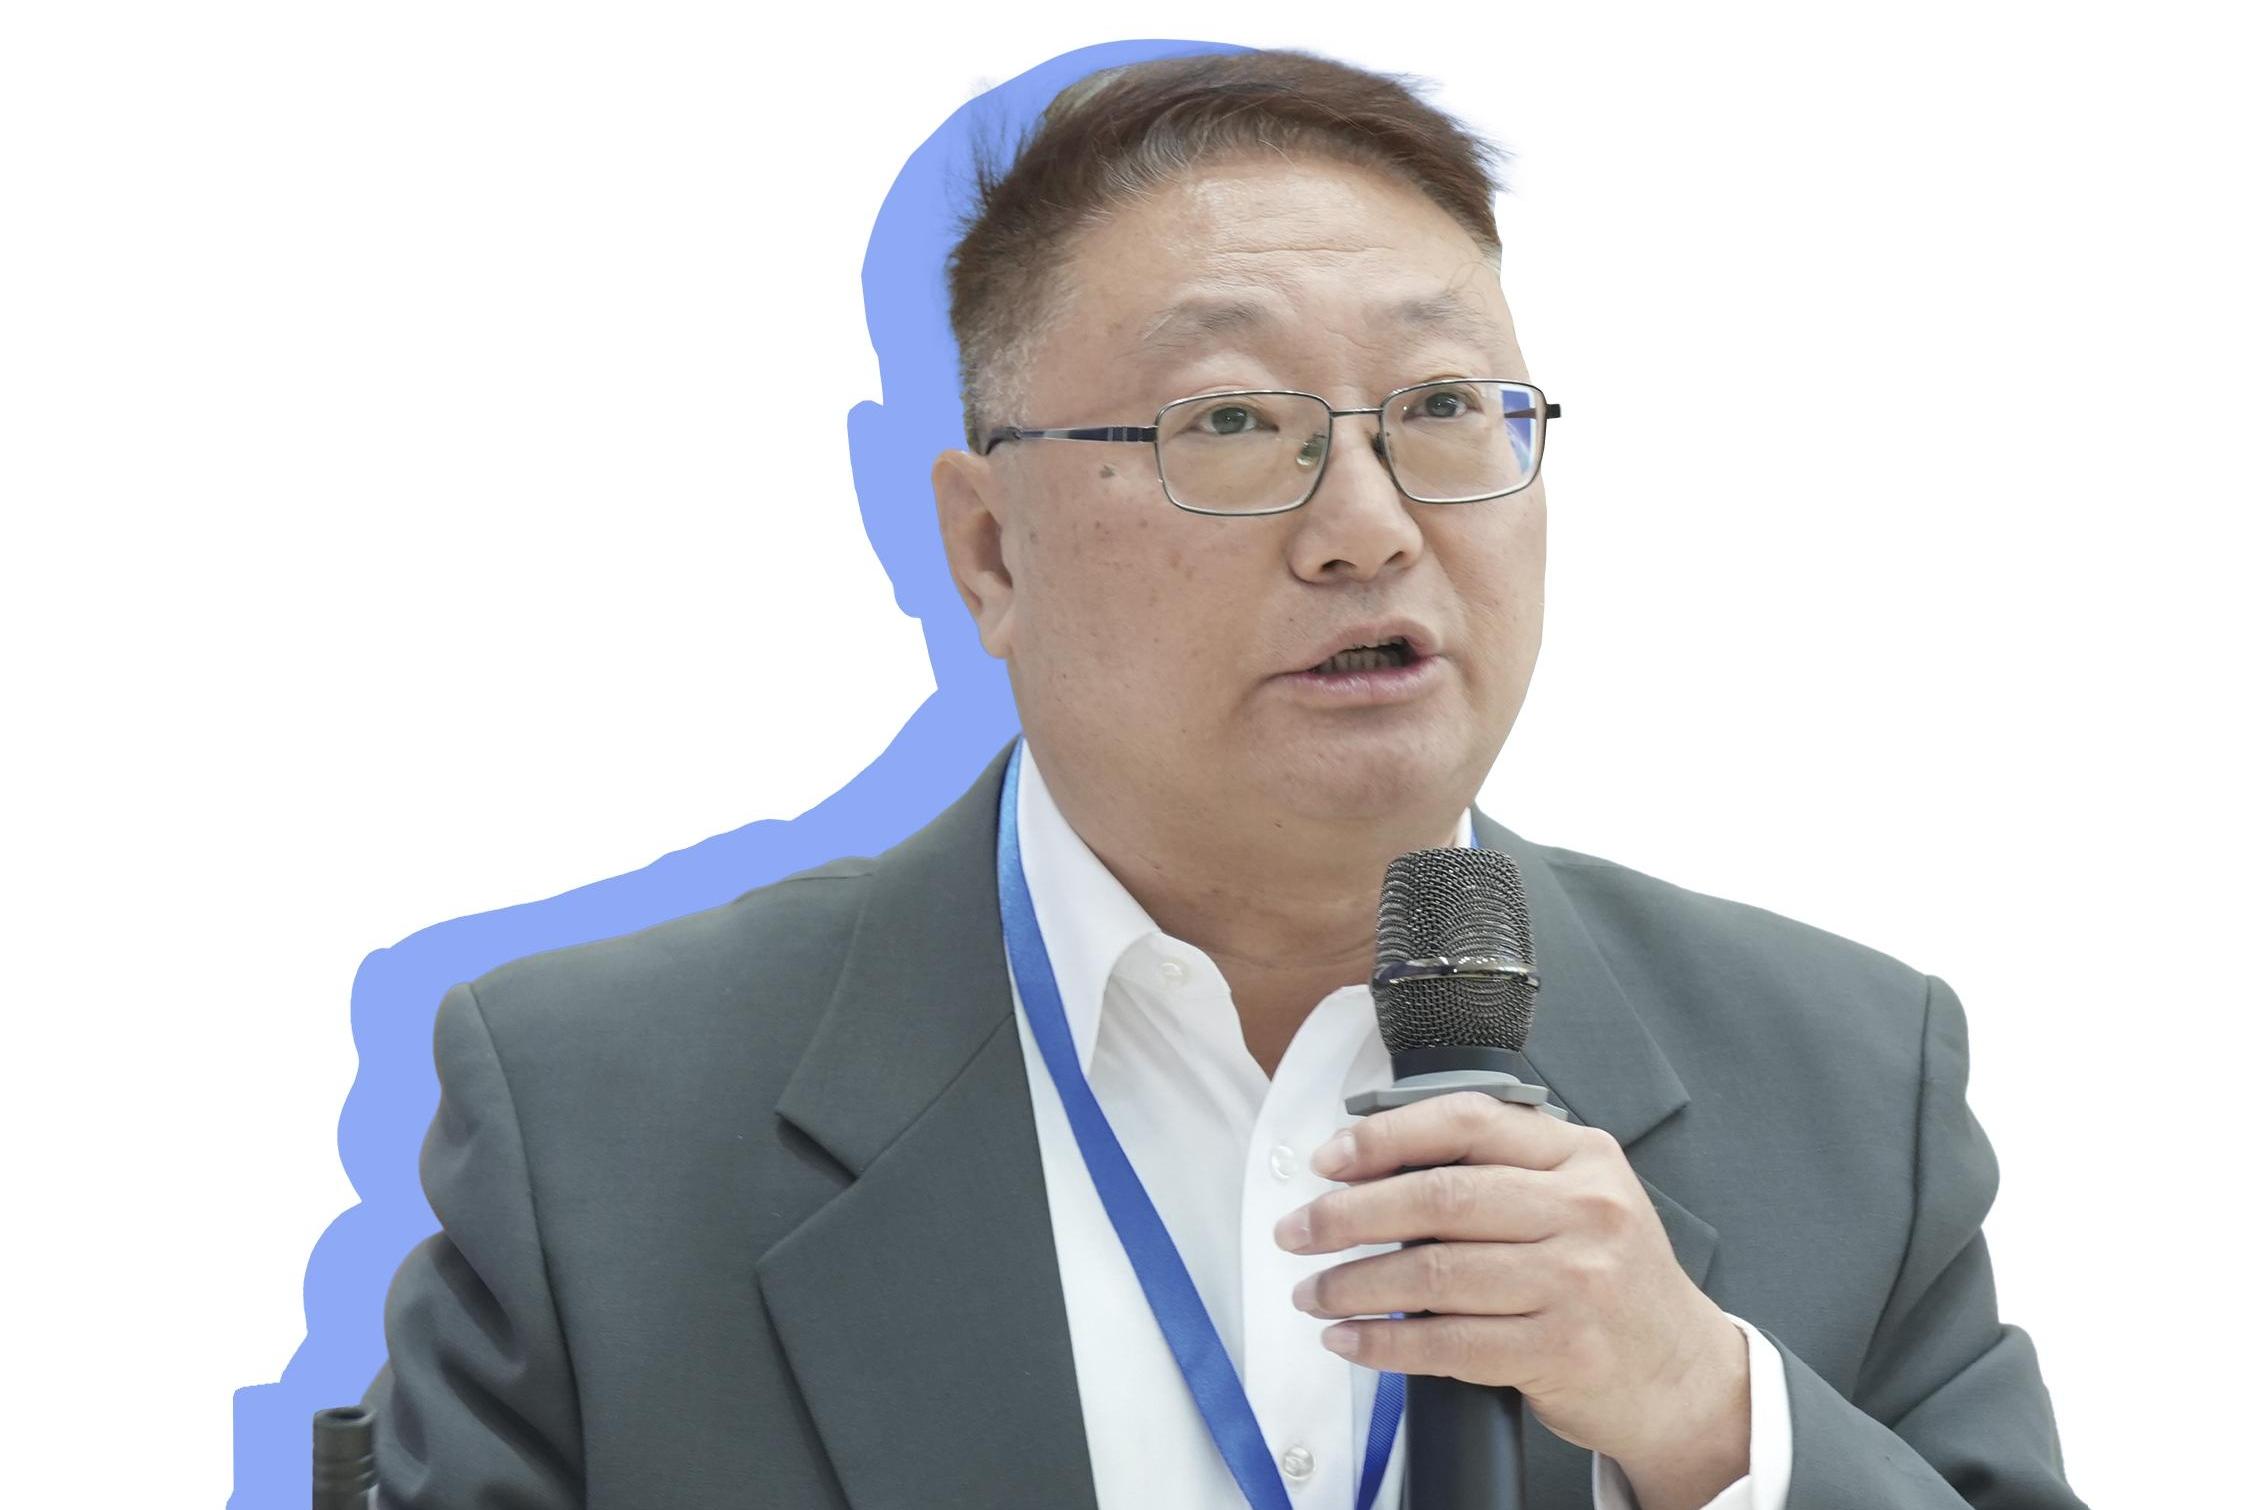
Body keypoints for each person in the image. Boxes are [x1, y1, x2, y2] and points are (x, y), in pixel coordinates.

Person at [362, 48, 2085, 1509]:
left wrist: (1711, 1417)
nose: (1368, 527)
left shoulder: (1849, 1086)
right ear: (988, 549)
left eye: (1444, 407)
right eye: (1233, 425)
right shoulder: (599, 1123)